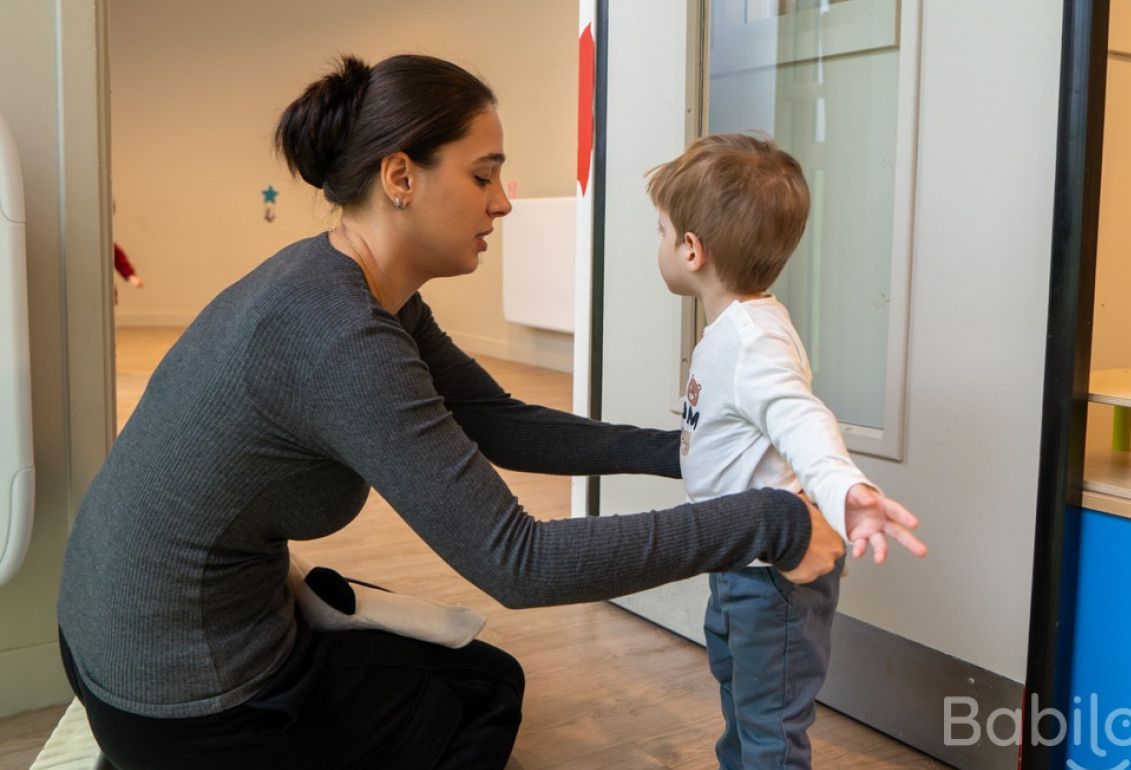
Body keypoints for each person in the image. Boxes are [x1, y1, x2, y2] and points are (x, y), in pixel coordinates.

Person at [56, 54, 863, 770]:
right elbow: (519, 563)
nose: (504, 202)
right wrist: (773, 522)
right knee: (485, 692)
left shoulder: (343, 283)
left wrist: (679, 451)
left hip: (124, 646)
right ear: (400, 177)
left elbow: (497, 419)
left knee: (451, 663)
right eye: (484, 175)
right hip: (182, 701)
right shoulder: (340, 336)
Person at [646, 133, 928, 770]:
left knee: (770, 724)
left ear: (691, 250)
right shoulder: (737, 327)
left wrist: (844, 488)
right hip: (737, 562)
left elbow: (804, 421)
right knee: (743, 705)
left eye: (662, 231)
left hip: (775, 580)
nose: (659, 244)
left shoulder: (755, 341)